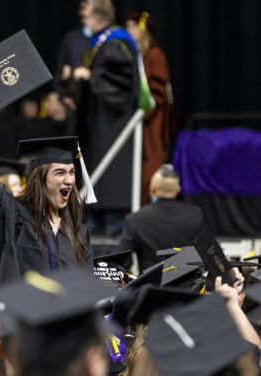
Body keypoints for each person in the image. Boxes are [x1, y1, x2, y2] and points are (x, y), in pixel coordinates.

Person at [0, 84, 94, 285]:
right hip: (22, 314)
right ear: (41, 179)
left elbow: (87, 284)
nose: (70, 180)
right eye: (60, 172)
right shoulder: (16, 216)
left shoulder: (78, 231)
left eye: (72, 172)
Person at [75, 0, 140, 235]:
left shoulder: (116, 43)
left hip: (112, 121)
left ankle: (110, 221)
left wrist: (90, 76)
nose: (83, 21)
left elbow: (120, 86)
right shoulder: (103, 42)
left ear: (97, 19)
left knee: (110, 170)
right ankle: (97, 218)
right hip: (100, 121)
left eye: (86, 17)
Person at [117, 164, 204, 271]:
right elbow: (206, 253)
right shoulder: (196, 215)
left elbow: (121, 263)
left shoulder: (135, 219)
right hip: (188, 286)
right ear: (178, 190)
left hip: (151, 286)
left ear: (152, 188)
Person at [125, 12, 173, 205]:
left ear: (144, 30)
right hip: (133, 122)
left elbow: (159, 93)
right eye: (127, 26)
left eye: (133, 26)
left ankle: (150, 211)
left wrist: (143, 113)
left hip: (151, 122)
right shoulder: (132, 54)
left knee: (149, 169)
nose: (129, 30)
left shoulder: (155, 55)